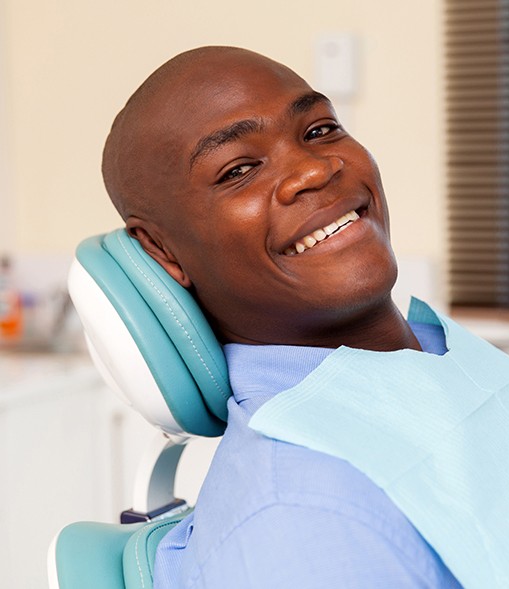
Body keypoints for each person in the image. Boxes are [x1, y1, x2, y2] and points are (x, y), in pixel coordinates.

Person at [102, 46, 461, 588]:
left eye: (318, 130)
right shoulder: (303, 519)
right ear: (162, 251)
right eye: (239, 170)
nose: (314, 170)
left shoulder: (443, 353)